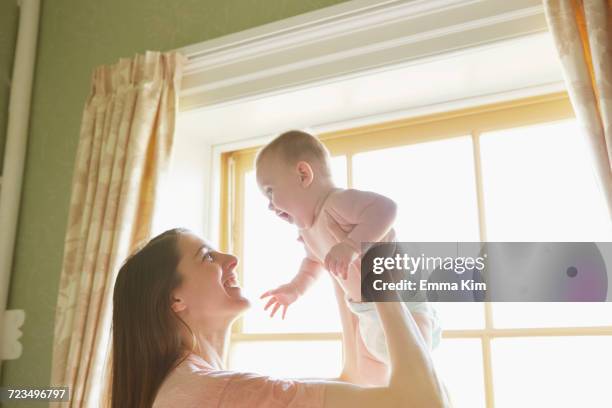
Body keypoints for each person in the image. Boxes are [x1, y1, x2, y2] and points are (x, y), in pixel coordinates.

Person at [111, 228, 449, 407]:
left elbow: (357, 384)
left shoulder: (190, 387)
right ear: (175, 299)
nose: (232, 259)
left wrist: (338, 275)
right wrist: (384, 289)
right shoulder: (219, 393)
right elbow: (423, 404)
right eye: (207, 257)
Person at [256, 130, 440, 367]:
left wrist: (351, 245)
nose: (270, 206)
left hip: (405, 300)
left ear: (303, 174)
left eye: (270, 191)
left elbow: (386, 208)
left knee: (416, 359)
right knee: (388, 369)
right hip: (366, 315)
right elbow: (313, 264)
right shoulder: (308, 231)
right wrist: (295, 289)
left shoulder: (336, 202)